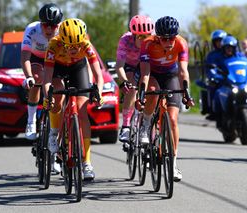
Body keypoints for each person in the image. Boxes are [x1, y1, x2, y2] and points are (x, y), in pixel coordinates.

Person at [43, 18, 104, 180]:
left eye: (77, 45)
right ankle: (54, 133)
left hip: (78, 68)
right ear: (62, 40)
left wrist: (99, 92)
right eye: (70, 46)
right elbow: (47, 77)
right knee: (57, 98)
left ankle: (87, 163)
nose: (74, 49)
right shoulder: (54, 45)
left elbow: (98, 74)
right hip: (58, 68)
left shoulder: (85, 45)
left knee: (82, 111)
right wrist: (47, 95)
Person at [137, 16, 195, 182]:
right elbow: (145, 73)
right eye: (164, 39)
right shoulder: (147, 43)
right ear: (157, 37)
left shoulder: (181, 43)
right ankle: (147, 123)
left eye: (172, 38)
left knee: (173, 120)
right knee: (154, 91)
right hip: (153, 75)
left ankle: (173, 163)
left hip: (170, 75)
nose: (169, 42)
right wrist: (141, 94)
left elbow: (183, 71)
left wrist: (186, 93)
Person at [21, 3, 63, 141]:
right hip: (36, 58)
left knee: (59, 88)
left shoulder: (63, 31)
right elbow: (25, 58)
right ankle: (31, 121)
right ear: (41, 24)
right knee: (36, 78)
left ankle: (56, 123)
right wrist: (28, 77)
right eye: (46, 25)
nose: (50, 29)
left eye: (54, 25)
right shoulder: (32, 30)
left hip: (56, 60)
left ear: (59, 25)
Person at [116, 15, 154, 145]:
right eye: (140, 36)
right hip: (130, 65)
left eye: (147, 36)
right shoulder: (125, 40)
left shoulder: (153, 41)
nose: (144, 40)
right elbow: (119, 66)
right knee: (131, 86)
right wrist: (124, 81)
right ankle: (126, 126)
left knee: (152, 90)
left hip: (147, 64)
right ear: (133, 34)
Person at [213, 35, 247, 122]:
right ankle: (219, 118)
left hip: (241, 83)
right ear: (223, 48)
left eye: (231, 47)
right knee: (217, 93)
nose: (229, 49)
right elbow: (215, 69)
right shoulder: (220, 58)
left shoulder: (241, 56)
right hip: (226, 84)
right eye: (227, 48)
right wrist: (215, 75)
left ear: (235, 48)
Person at [204, 29, 227, 120]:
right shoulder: (211, 55)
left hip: (230, 78)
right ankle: (212, 110)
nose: (220, 43)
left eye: (221, 40)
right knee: (212, 86)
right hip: (218, 79)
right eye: (217, 41)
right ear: (214, 42)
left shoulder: (230, 52)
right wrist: (214, 76)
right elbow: (209, 69)